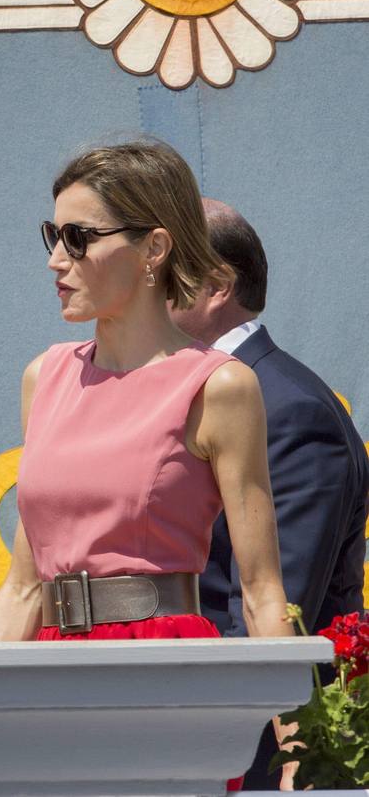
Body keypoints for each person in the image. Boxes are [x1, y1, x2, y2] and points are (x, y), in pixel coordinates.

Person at [0, 140, 294, 782]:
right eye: (51, 234)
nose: (55, 260)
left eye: (78, 237)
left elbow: (260, 590)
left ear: (153, 248)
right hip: (48, 669)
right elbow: (23, 583)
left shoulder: (219, 386)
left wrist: (294, 746)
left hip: (164, 669)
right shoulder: (45, 377)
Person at [170, 198, 368, 789]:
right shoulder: (204, 394)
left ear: (214, 285)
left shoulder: (287, 409)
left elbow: (277, 609)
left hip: (251, 751)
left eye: (161, 268)